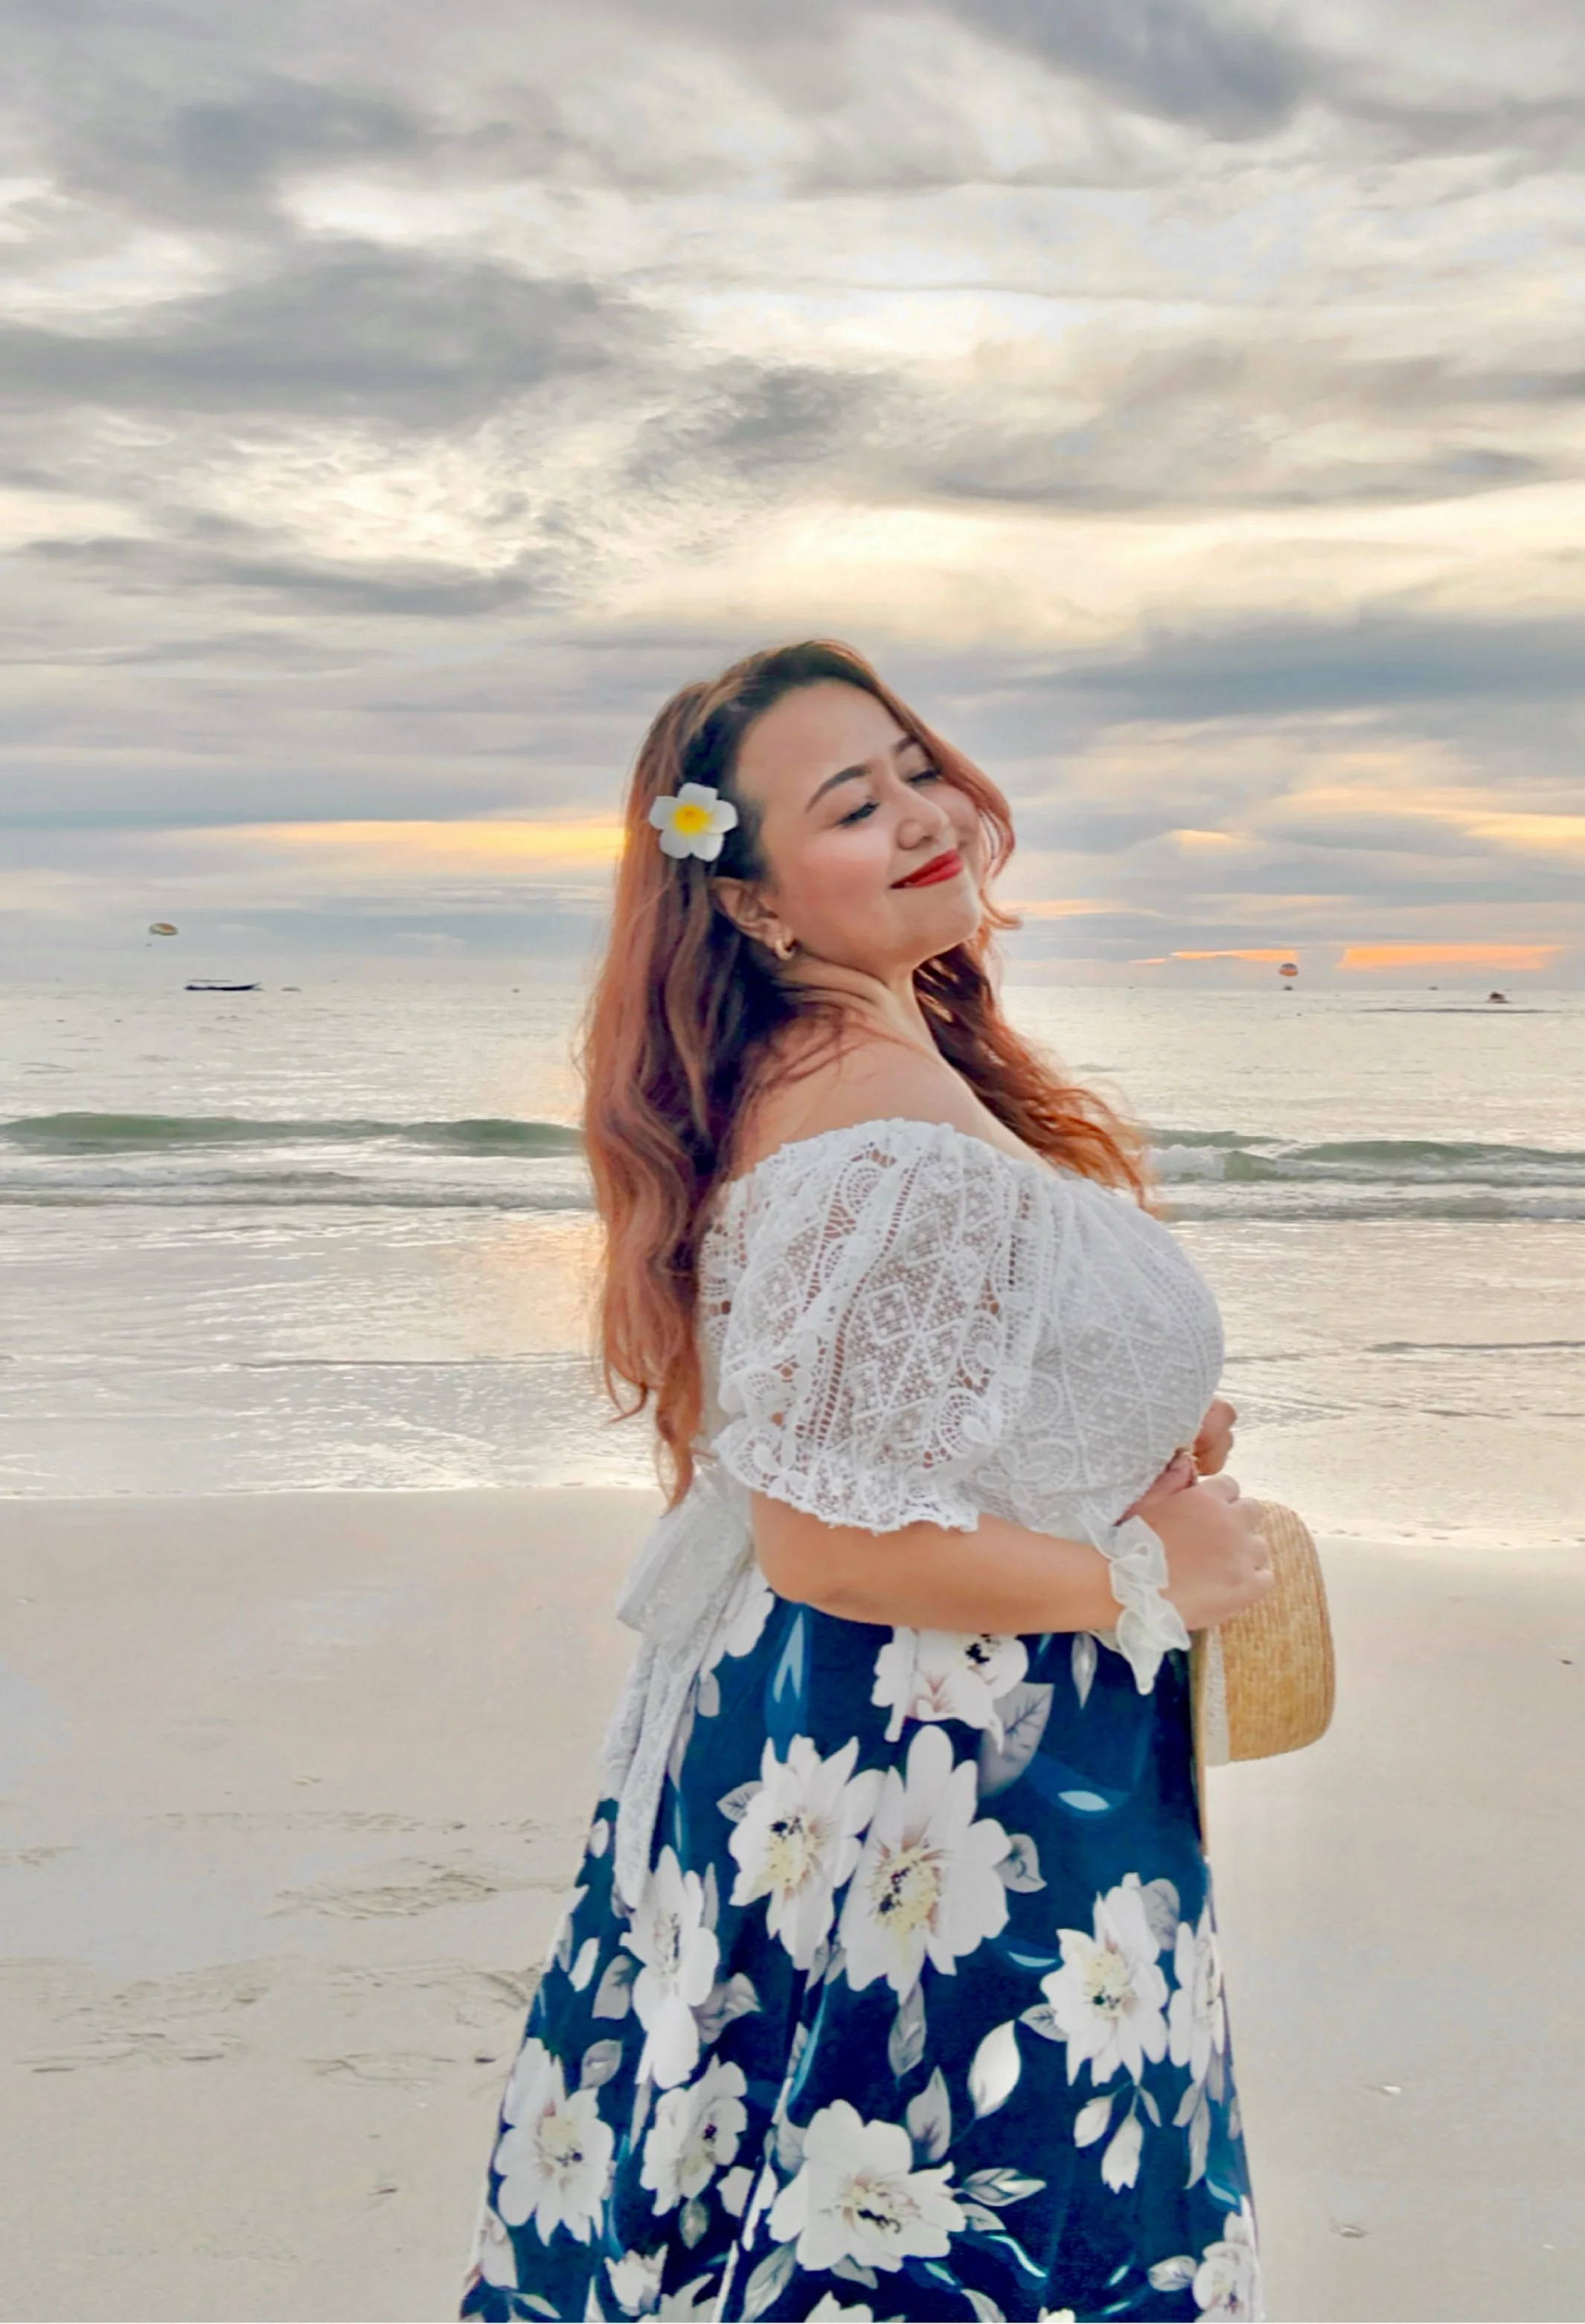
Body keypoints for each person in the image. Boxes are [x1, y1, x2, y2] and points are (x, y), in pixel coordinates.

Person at [460, 639, 1278, 2323]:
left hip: (864, 1741)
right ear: (752, 900)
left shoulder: (850, 1077)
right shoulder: (875, 1120)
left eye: (917, 767)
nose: (923, 815)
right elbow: (827, 1539)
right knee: (947, 2227)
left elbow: (874, 1416)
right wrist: (1150, 1575)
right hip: (937, 1772)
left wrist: (1107, 1426)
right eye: (851, 804)